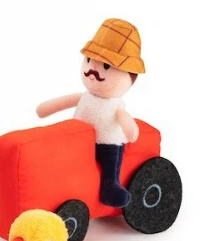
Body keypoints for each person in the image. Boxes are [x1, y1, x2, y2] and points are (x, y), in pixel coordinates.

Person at [36, 19, 145, 209]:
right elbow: (61, 103)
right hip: (78, 138)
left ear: (129, 76)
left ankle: (109, 187)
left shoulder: (115, 105)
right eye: (89, 60)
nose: (92, 70)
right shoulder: (86, 97)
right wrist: (45, 109)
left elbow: (124, 119)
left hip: (107, 143)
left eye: (106, 66)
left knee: (110, 165)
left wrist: (131, 130)